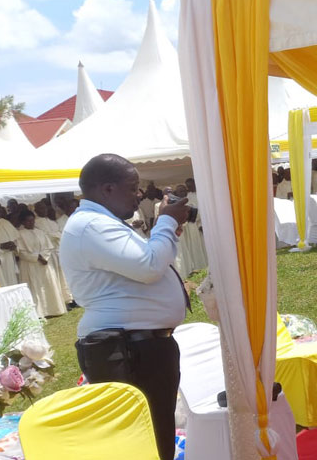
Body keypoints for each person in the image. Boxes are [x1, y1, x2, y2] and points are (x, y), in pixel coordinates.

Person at [60, 153, 191, 460]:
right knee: (141, 441)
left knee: (156, 435)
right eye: (132, 187)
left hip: (138, 346)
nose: (139, 194)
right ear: (107, 189)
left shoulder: (99, 223)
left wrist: (167, 231)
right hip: (128, 349)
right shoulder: (91, 225)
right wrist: (167, 221)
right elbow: (148, 266)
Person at [16, 210, 68, 317]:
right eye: (28, 221)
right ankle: (39, 312)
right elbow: (20, 252)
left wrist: (44, 257)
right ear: (23, 222)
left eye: (32, 220)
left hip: (45, 262)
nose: (31, 223)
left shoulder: (40, 232)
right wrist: (37, 257)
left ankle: (53, 309)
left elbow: (48, 247)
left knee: (48, 285)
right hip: (30, 264)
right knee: (35, 287)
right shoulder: (19, 235)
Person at [34, 200, 73, 305]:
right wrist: (55, 235)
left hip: (58, 251)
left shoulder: (52, 222)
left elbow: (59, 233)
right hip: (48, 254)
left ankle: (68, 299)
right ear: (36, 210)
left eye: (44, 208)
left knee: (63, 276)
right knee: (54, 279)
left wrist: (55, 235)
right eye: (41, 208)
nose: (44, 210)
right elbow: (45, 236)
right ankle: (59, 301)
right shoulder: (36, 223)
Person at [172, 183, 208, 277]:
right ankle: (188, 272)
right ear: (176, 193)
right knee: (185, 251)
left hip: (192, 229)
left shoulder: (192, 203)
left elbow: (198, 216)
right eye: (180, 191)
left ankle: (199, 268)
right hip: (182, 232)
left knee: (195, 248)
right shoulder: (173, 205)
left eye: (184, 191)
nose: (182, 192)